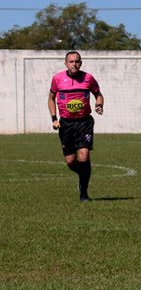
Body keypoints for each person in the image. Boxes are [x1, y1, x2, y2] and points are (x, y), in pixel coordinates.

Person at [47, 51, 104, 202]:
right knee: (71, 162)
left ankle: (84, 194)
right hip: (66, 124)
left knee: (84, 156)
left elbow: (98, 94)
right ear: (65, 63)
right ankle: (82, 176)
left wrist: (99, 104)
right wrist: (54, 118)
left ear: (81, 63)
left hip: (84, 122)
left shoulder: (88, 78)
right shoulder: (57, 79)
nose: (74, 64)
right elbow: (51, 99)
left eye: (77, 61)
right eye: (71, 61)